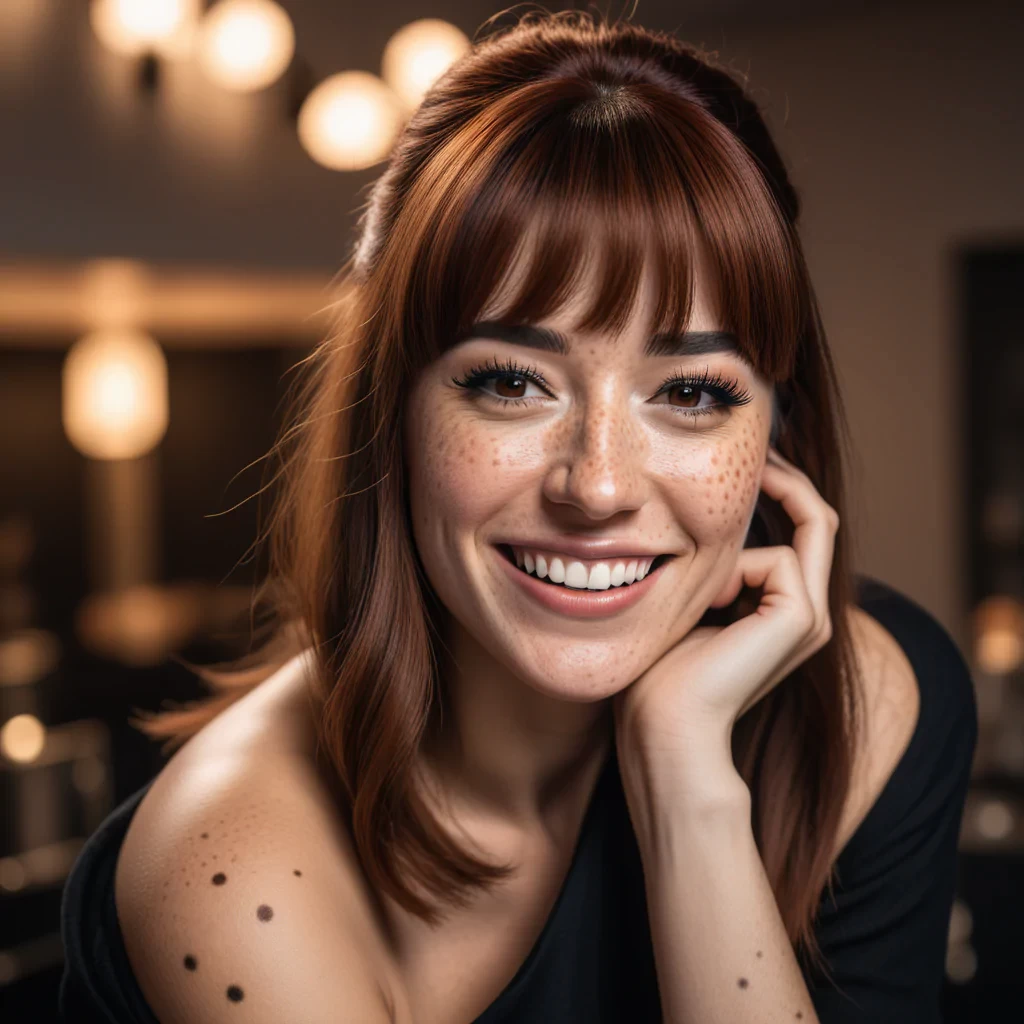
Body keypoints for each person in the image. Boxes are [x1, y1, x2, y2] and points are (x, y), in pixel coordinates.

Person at [59, 10, 978, 1024]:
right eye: (509, 381)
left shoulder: (872, 705)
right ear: (392, 414)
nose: (595, 486)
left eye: (692, 394)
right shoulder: (236, 876)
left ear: (774, 433)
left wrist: (684, 787)